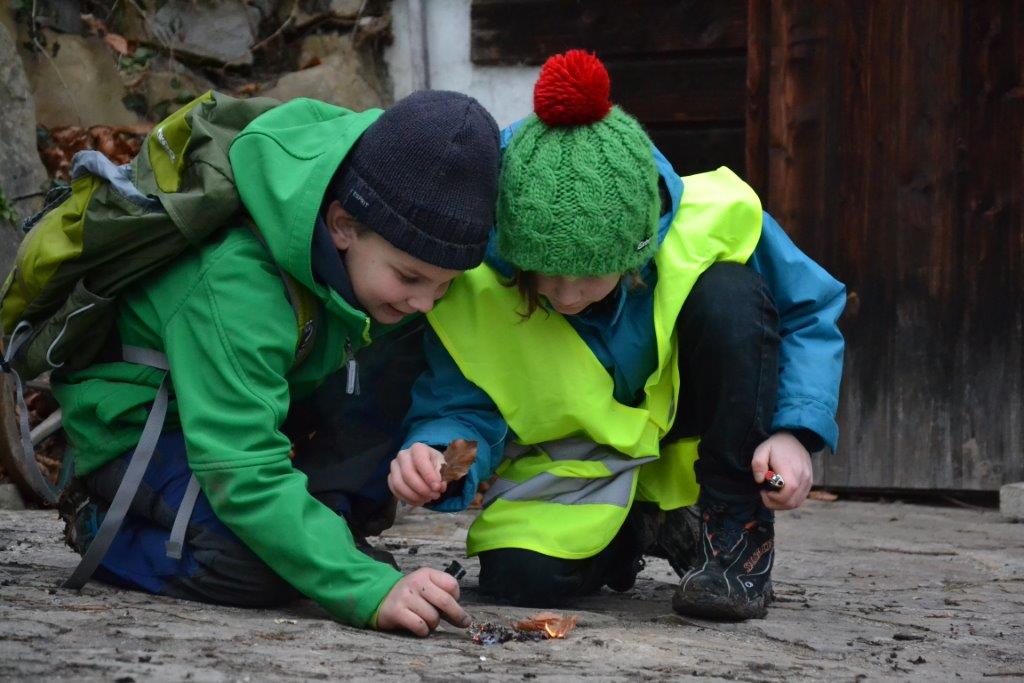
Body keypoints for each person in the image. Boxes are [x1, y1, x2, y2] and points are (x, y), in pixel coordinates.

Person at [390, 50, 846, 621]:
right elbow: (460, 400)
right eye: (544, 275)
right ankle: (637, 529)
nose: (566, 295)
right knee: (517, 579)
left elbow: (810, 311)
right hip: (577, 466)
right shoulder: (476, 279)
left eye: (589, 276)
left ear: (637, 248)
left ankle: (732, 536)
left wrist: (793, 433)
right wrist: (439, 454)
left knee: (730, 295)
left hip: (697, 448)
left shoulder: (710, 218)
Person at [54, 90, 501, 635]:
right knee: (258, 568)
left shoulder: (387, 262)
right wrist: (361, 585)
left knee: (403, 345)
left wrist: (430, 449)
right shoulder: (236, 283)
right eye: (410, 277)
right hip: (142, 426)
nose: (427, 301)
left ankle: (328, 524)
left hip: (249, 408)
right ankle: (102, 524)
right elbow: (242, 470)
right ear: (343, 225)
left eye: (445, 284)